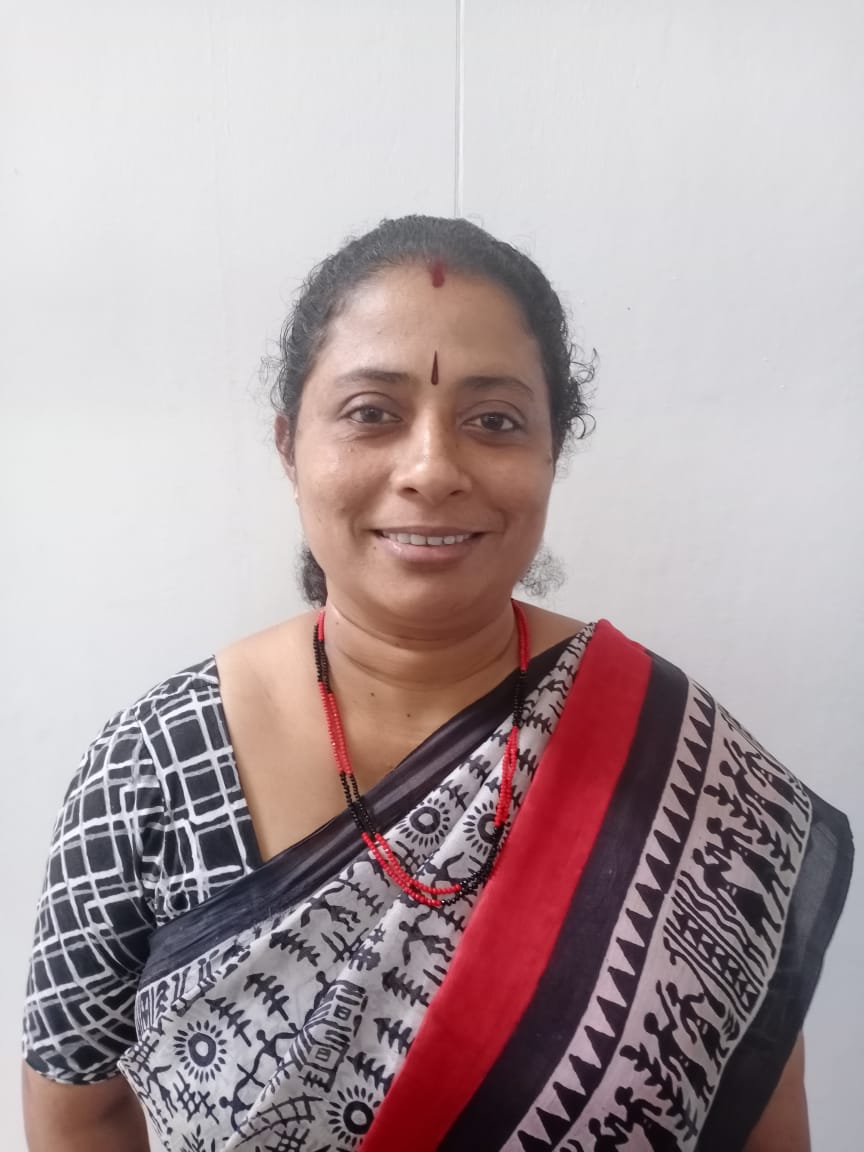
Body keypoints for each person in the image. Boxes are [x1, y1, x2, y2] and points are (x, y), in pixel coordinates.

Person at [21, 215, 852, 1152]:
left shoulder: (686, 770)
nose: (432, 470)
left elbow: (762, 1122)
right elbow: (81, 1108)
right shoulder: (154, 765)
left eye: (494, 421)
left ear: (552, 450)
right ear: (290, 446)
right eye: (371, 413)